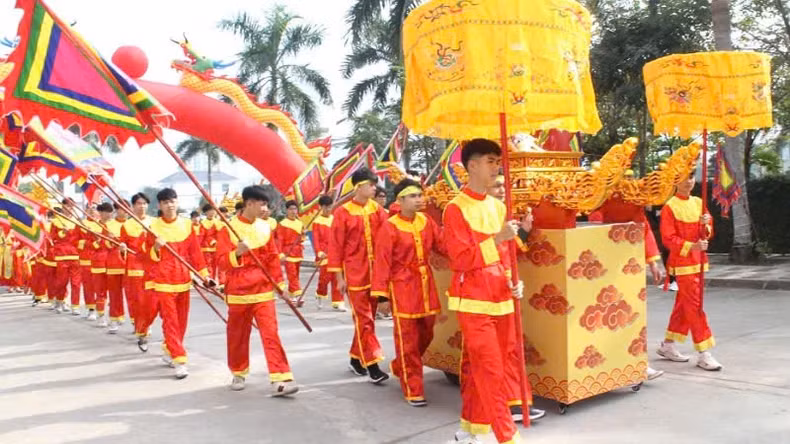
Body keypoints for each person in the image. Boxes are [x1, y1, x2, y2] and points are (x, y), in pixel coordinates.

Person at [444, 139, 530, 444]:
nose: (497, 166)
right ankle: (506, 435)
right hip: (473, 300)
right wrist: (495, 240)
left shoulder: (499, 206)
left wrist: (512, 279)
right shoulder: (455, 209)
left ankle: (471, 428)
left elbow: (507, 254)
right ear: (472, 166)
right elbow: (460, 259)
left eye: (498, 161)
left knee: (485, 367)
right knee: (491, 369)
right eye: (491, 161)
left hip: (502, 296)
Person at [216, 185, 298, 396]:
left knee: (271, 333)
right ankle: (238, 371)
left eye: (265, 204)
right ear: (249, 203)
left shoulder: (264, 228)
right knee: (237, 335)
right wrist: (237, 253)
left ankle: (280, 378)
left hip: (263, 291)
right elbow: (221, 262)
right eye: (261, 204)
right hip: (238, 292)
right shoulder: (228, 228)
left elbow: (272, 260)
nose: (264, 208)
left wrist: (281, 287)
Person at [372, 179, 447, 407]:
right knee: (407, 341)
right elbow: (382, 262)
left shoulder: (426, 221)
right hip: (402, 288)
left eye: (420, 195)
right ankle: (413, 387)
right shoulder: (390, 226)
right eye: (413, 196)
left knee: (427, 334)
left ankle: (400, 366)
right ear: (400, 200)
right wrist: (382, 296)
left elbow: (442, 245)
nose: (419, 200)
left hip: (425, 287)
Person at [587, 196, 667, 381]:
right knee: (608, 319)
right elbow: (594, 223)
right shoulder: (601, 194)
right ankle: (614, 364)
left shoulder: (635, 196)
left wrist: (653, 262)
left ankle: (638, 364)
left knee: (632, 316)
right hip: (605, 265)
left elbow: (644, 227)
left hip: (631, 266)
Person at [327, 167, 389, 384]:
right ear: (358, 187)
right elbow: (335, 247)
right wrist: (339, 278)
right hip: (354, 274)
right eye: (370, 185)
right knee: (364, 320)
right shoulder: (342, 213)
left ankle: (355, 359)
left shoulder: (378, 211)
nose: (374, 188)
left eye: (374, 184)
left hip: (376, 275)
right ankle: (373, 365)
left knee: (367, 321)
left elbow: (387, 241)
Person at [656, 171, 722, 371]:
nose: (689, 181)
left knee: (685, 305)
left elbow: (707, 233)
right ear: (675, 181)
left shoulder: (698, 202)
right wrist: (690, 246)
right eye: (684, 177)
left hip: (699, 261)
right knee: (695, 306)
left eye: (692, 177)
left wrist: (705, 225)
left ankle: (668, 345)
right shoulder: (670, 207)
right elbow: (668, 238)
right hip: (682, 263)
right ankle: (704, 352)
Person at [144, 188, 212, 379]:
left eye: (172, 201)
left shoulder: (187, 225)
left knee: (182, 322)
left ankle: (170, 348)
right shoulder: (152, 227)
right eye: (165, 202)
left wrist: (205, 276)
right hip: (164, 281)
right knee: (171, 321)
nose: (169, 205)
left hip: (184, 279)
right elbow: (146, 257)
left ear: (177, 202)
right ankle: (180, 360)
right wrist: (156, 247)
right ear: (160, 206)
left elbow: (195, 253)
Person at [121, 193, 153, 347]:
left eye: (145, 203)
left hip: (152, 268)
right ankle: (142, 332)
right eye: (139, 204)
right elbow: (122, 247)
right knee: (138, 302)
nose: (142, 206)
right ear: (133, 206)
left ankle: (143, 326)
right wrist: (122, 249)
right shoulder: (126, 225)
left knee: (149, 303)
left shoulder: (154, 223)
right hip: (135, 268)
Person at [312, 195, 344, 311]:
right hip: (324, 254)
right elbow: (316, 239)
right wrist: (319, 252)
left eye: (330, 207)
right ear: (321, 207)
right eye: (325, 207)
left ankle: (338, 302)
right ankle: (320, 294)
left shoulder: (335, 219)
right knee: (324, 279)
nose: (328, 210)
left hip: (335, 253)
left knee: (337, 278)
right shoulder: (317, 222)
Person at [50, 200, 81, 314]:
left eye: (72, 205)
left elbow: (80, 238)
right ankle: (59, 301)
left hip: (75, 255)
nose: (70, 207)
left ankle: (75, 306)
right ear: (63, 206)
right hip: (62, 255)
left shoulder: (77, 222)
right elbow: (52, 238)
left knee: (76, 282)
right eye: (68, 205)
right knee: (61, 282)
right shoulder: (56, 221)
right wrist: (61, 232)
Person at [105, 200, 129, 334]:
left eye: (126, 208)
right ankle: (114, 318)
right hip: (114, 264)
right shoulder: (109, 225)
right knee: (114, 294)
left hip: (130, 265)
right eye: (121, 209)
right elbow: (105, 245)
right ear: (116, 210)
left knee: (133, 296)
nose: (124, 211)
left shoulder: (134, 224)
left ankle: (136, 321)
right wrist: (111, 241)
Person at [91, 203, 116, 328]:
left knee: (113, 292)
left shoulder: (115, 226)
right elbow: (89, 246)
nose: (108, 214)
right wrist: (98, 241)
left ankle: (113, 318)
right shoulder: (93, 226)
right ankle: (101, 316)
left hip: (113, 264)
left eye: (110, 212)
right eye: (106, 212)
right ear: (100, 213)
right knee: (100, 292)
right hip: (98, 263)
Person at [276, 200, 304, 302]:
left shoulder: (300, 223)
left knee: (296, 274)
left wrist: (302, 234)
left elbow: (302, 239)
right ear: (287, 210)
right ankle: (298, 294)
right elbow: (279, 240)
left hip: (298, 252)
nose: (293, 211)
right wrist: (281, 253)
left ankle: (292, 293)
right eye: (291, 209)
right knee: (292, 274)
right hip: (288, 252)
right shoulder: (282, 224)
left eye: (295, 209)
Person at [78, 204, 101, 320]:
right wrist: (91, 242)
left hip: (100, 260)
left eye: (95, 208)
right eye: (89, 208)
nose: (92, 210)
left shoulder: (102, 224)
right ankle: (91, 309)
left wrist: (98, 241)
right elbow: (76, 241)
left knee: (100, 287)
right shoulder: (81, 224)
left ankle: (102, 311)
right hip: (86, 259)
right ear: (85, 209)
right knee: (88, 287)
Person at [200, 204, 219, 280]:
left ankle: (213, 280)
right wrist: (212, 241)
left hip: (217, 247)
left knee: (215, 265)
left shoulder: (218, 222)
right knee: (208, 265)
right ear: (206, 212)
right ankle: (209, 279)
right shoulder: (203, 223)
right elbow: (202, 235)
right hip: (206, 248)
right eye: (209, 211)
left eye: (213, 210)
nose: (212, 212)